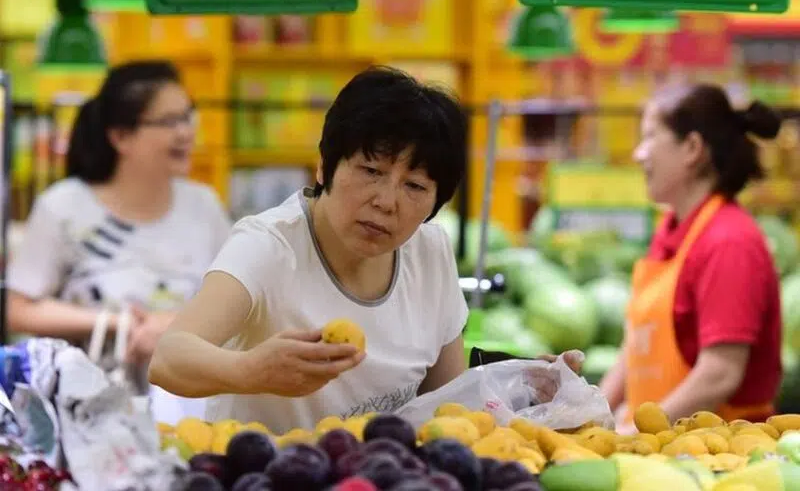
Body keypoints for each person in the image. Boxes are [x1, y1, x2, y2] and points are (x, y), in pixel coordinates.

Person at [148, 66, 581, 433]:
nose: (386, 201)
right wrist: (252, 372)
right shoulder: (269, 246)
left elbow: (444, 401)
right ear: (324, 165)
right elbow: (169, 357)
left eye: (414, 186)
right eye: (371, 170)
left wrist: (518, 386)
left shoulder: (430, 251)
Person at [7, 60, 232, 423]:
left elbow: (239, 304)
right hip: (85, 417)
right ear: (120, 137)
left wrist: (173, 324)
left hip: (192, 414)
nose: (186, 132)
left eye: (188, 117)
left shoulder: (203, 206)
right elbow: (18, 308)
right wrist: (116, 323)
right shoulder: (64, 207)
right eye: (169, 121)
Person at [599, 84, 784, 432]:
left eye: (650, 137)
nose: (639, 154)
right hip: (658, 453)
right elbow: (636, 347)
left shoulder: (730, 241)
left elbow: (720, 373)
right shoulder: (671, 230)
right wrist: (594, 418)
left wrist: (638, 434)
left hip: (718, 462)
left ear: (692, 149)